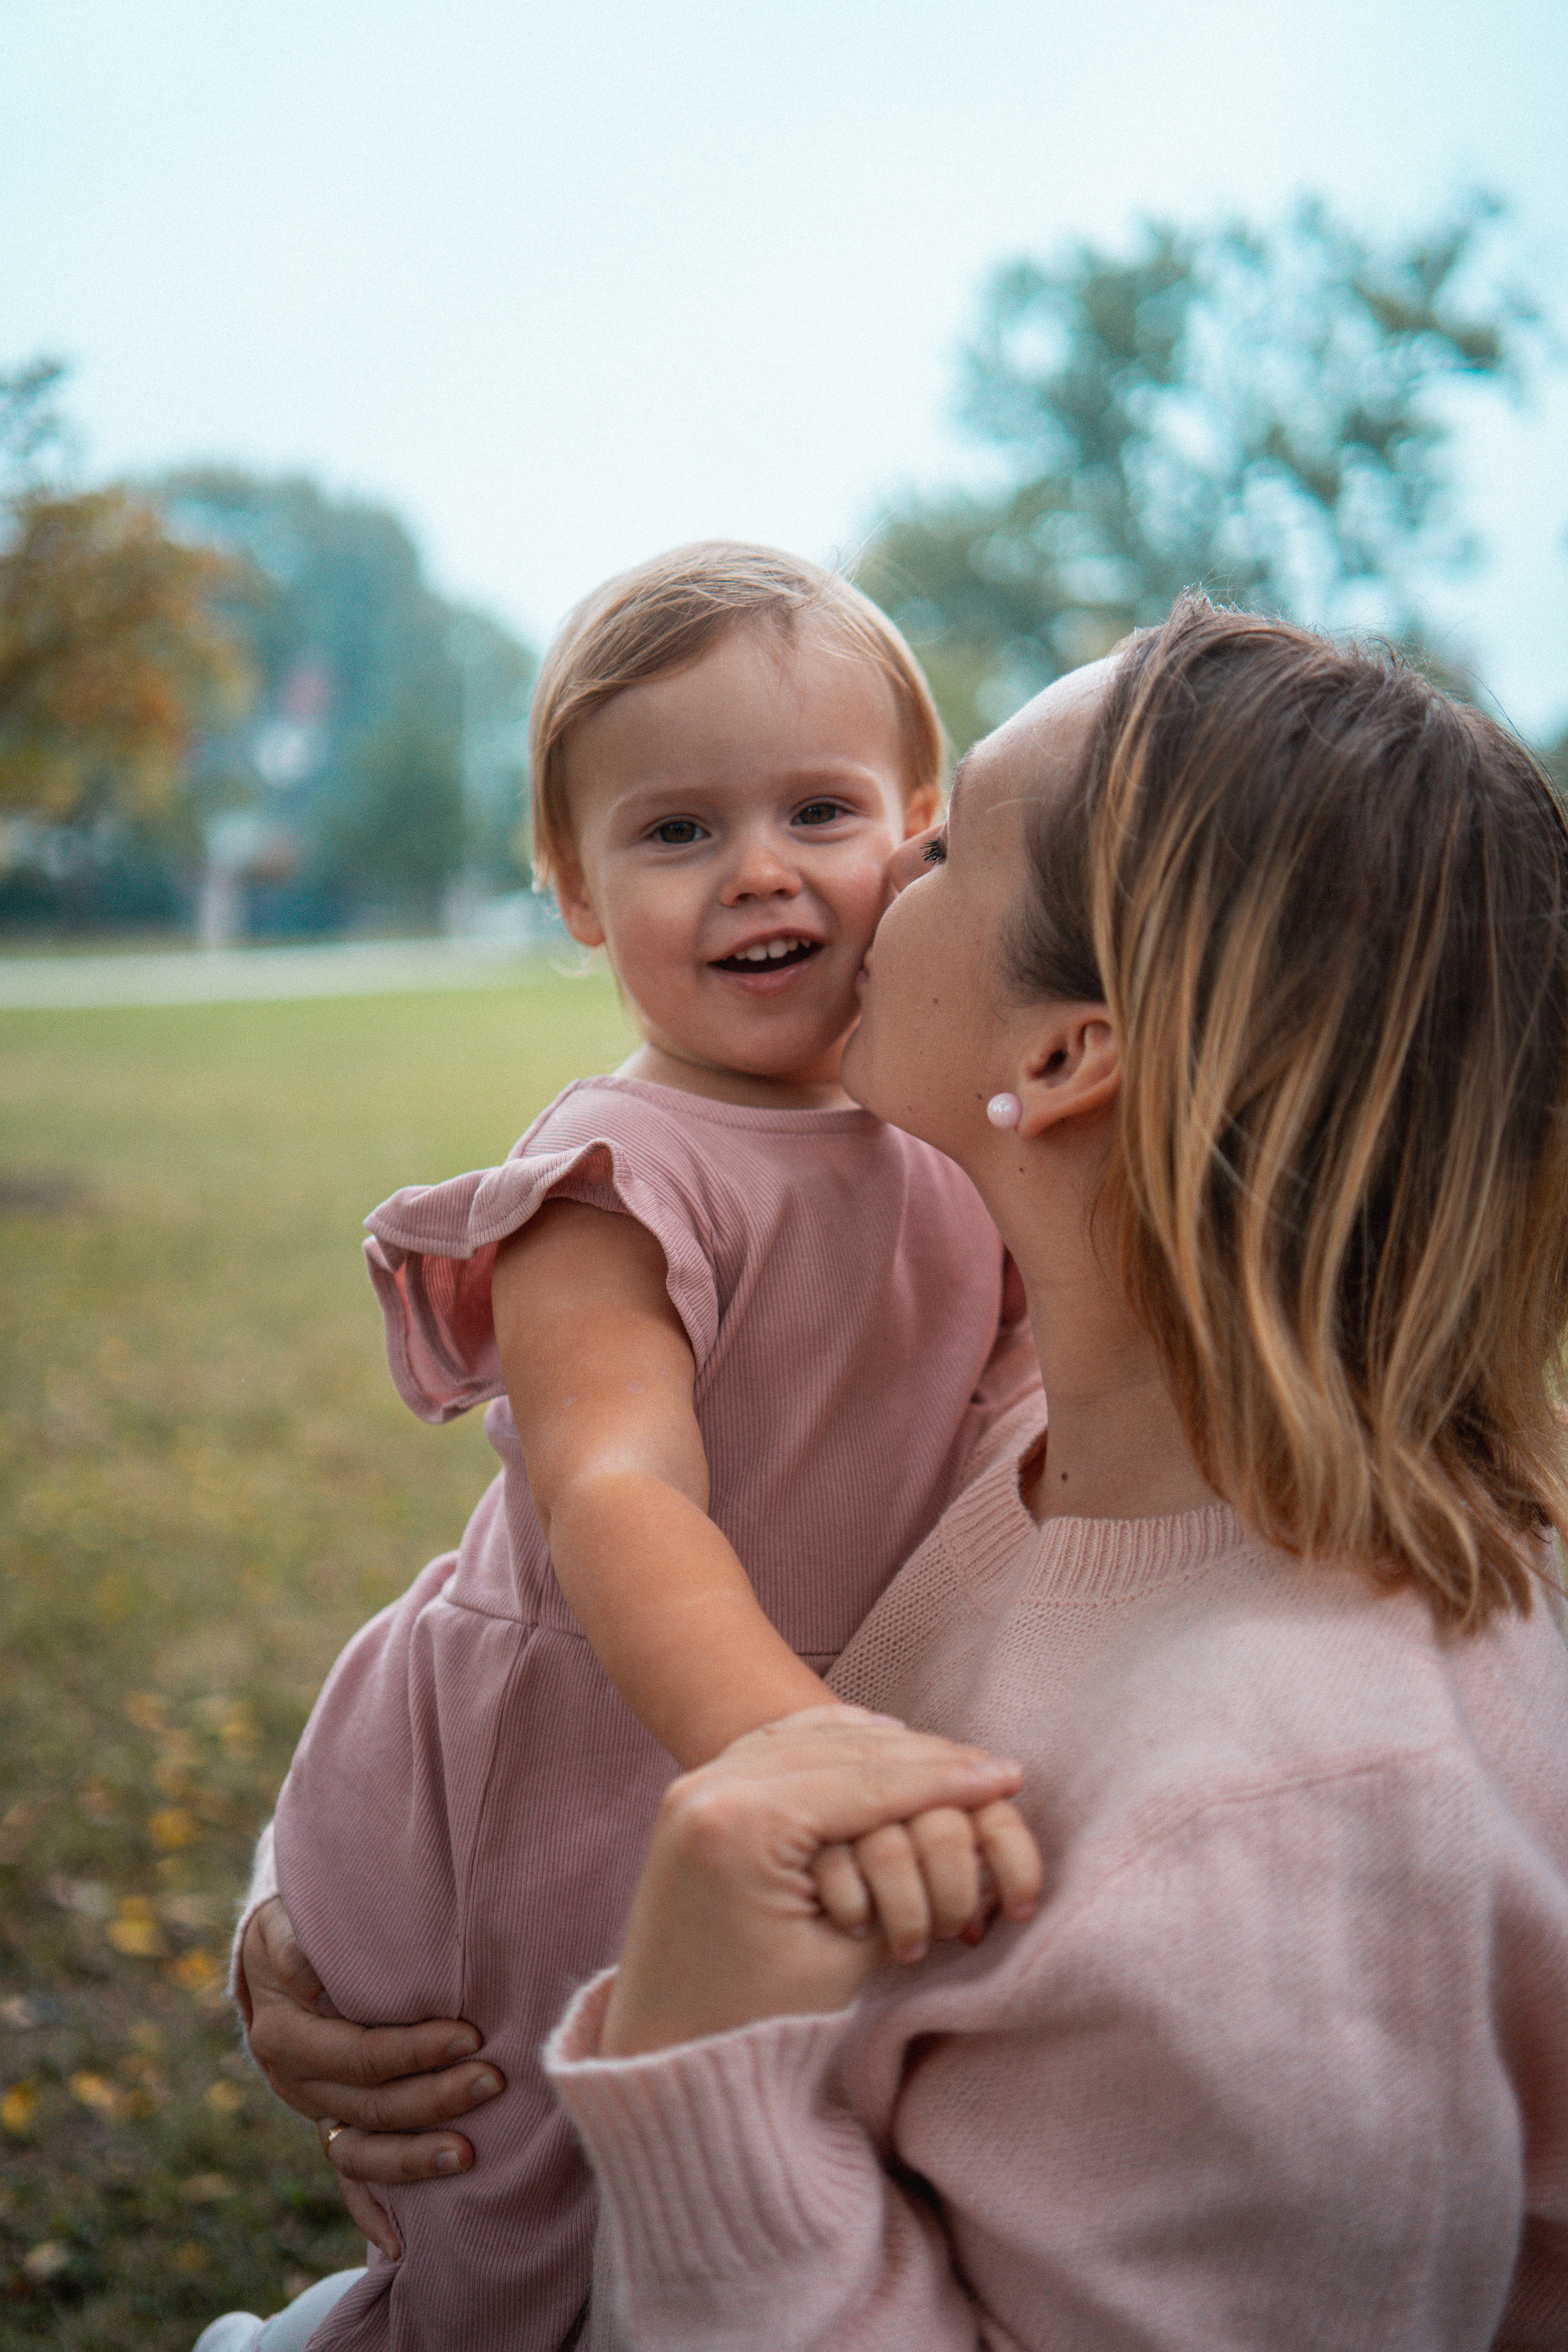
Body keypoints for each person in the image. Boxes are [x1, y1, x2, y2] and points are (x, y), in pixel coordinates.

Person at [253, 595, 1568, 2348]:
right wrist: (343, 1911)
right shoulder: (1050, 1443)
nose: (836, 878)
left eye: (927, 840)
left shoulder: (1299, 1828)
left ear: (1064, 1054)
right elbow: (551, 1608)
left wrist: (703, 2066)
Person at [204, 544, 1042, 2352]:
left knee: (726, 2169)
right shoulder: (618, 1174)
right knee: (521, 2207)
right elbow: (615, 1485)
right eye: (673, 833)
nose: (757, 869)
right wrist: (792, 1734)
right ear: (576, 893)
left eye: (819, 809)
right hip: (572, 1733)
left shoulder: (951, 1141)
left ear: (920, 829)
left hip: (761, 1713)